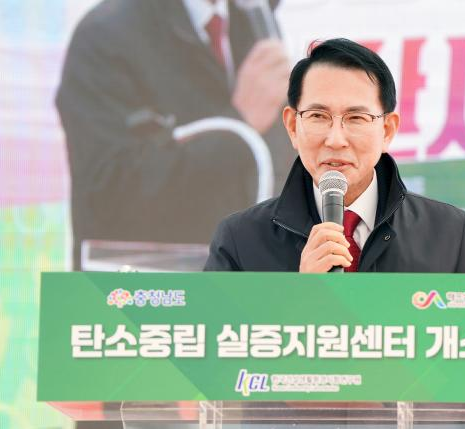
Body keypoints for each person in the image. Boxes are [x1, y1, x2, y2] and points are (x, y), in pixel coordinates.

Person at [204, 38, 465, 429]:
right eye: (318, 116)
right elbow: (213, 381)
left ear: (388, 129)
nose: (336, 138)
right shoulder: (240, 239)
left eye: (355, 118)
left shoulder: (448, 233)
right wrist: (296, 303)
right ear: (292, 125)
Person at [56, 0, 296, 270]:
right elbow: (109, 190)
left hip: (243, 283)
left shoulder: (252, 21)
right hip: (142, 286)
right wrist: (239, 123)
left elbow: (273, 168)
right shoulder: (106, 34)